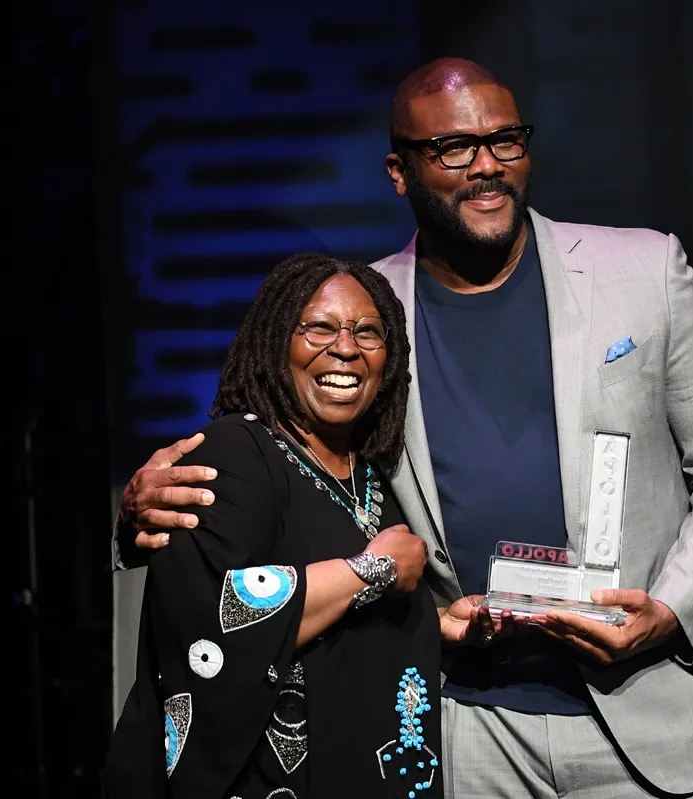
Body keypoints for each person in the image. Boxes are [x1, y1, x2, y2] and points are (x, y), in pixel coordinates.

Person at [115, 59, 693, 798]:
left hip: (648, 709)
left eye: (507, 140)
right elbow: (282, 466)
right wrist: (149, 501)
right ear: (399, 172)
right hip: (462, 726)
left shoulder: (646, 271)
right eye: (454, 148)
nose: (487, 166)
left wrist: (672, 610)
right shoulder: (365, 317)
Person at [104, 253, 450, 799]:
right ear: (275, 341)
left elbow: (349, 630)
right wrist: (375, 570)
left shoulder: (376, 476)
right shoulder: (234, 452)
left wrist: (444, 623)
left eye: (368, 332)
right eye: (319, 327)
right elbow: (209, 618)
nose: (345, 348)